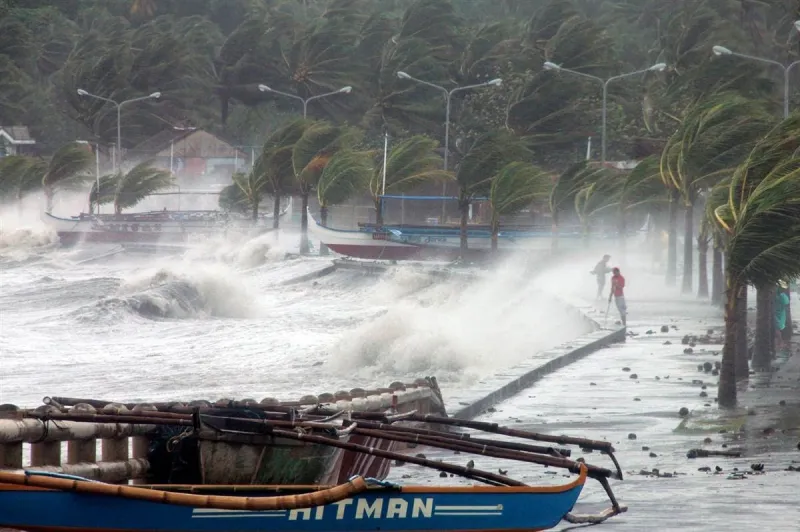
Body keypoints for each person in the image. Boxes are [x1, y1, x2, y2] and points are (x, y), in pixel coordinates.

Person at [775, 282, 790, 353]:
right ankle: (780, 343)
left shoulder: (778, 294)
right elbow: (787, 303)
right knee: (777, 328)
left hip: (779, 312)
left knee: (777, 328)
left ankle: (779, 343)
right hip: (779, 312)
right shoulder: (781, 295)